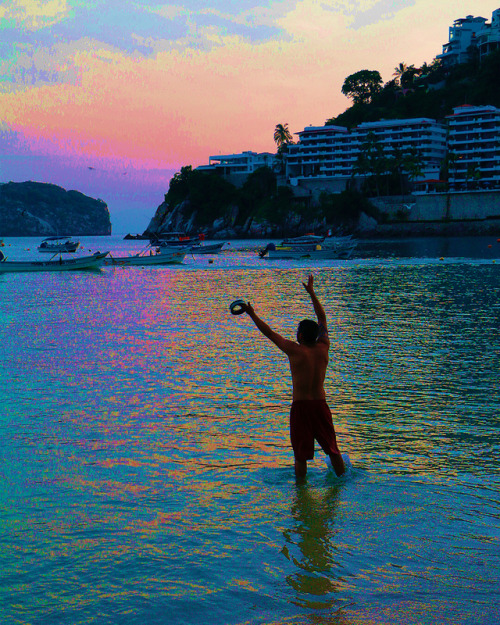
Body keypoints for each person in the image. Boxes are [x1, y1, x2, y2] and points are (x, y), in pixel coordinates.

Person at [239, 275, 345, 479]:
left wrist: (252, 314)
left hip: (302, 408)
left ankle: (301, 495)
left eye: (297, 332)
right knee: (333, 450)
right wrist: (312, 293)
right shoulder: (324, 347)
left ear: (301, 336)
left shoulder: (295, 351)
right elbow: (322, 318)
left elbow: (269, 333)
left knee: (300, 456)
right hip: (321, 405)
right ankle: (343, 484)